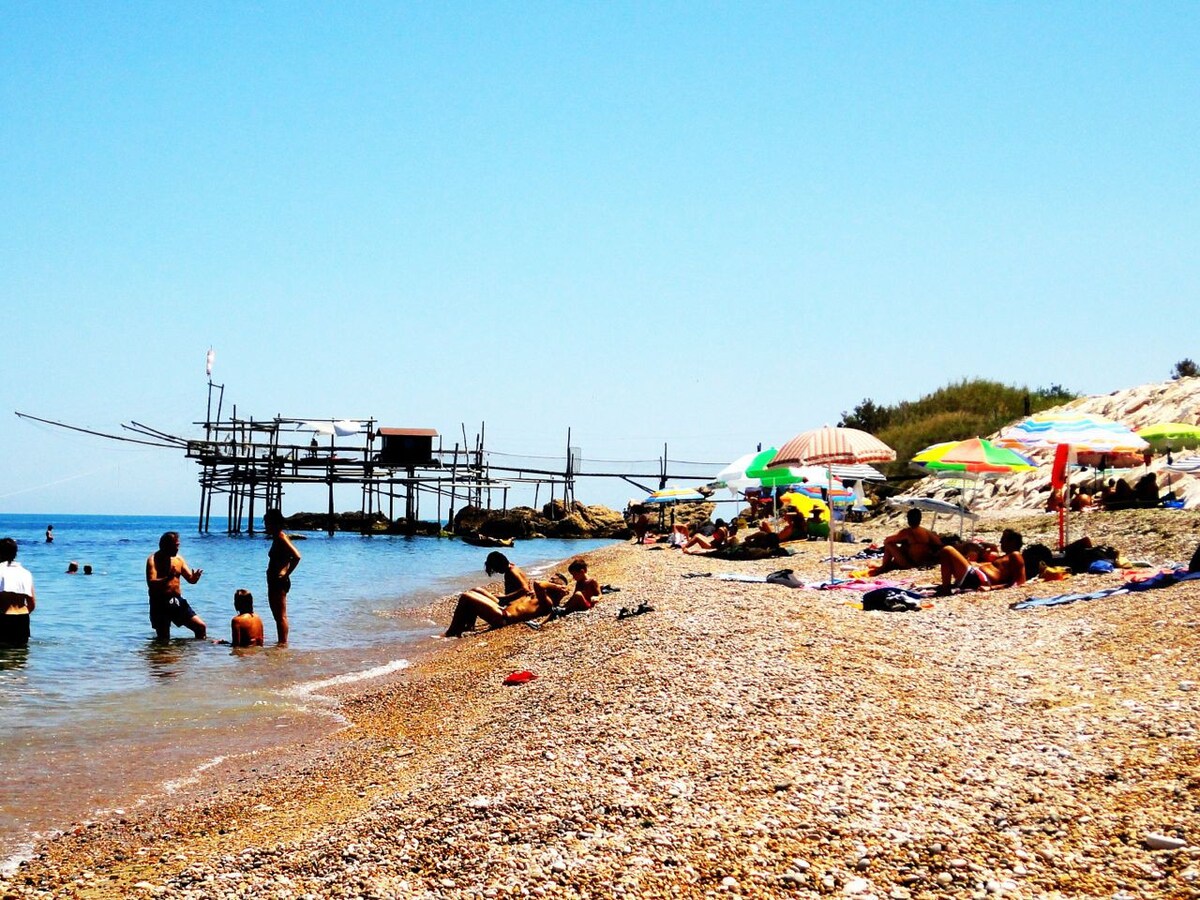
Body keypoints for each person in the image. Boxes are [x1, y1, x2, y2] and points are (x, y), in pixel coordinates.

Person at [444, 552, 565, 637]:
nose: (549, 581)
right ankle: (467, 627)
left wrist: (557, 586)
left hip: (503, 618)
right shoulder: (539, 597)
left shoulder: (547, 603)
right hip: (503, 611)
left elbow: (537, 584)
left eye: (552, 581)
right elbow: (534, 587)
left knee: (466, 597)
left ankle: (451, 632)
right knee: (473, 593)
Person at [145, 531, 206, 640]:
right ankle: (165, 656)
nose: (177, 549)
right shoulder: (153, 560)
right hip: (159, 603)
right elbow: (151, 583)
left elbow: (190, 580)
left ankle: (201, 653)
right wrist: (167, 579)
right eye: (175, 546)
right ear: (165, 546)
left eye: (178, 545)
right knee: (164, 638)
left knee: (200, 627)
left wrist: (195, 578)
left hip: (176, 601)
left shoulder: (179, 559)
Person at [937, 528, 1026, 595]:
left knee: (947, 550)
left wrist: (992, 588)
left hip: (977, 579)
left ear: (1013, 542)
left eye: (1003, 539)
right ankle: (946, 587)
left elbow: (1019, 581)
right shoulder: (1006, 556)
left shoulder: (1015, 554)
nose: (1000, 541)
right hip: (975, 576)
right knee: (959, 550)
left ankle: (946, 589)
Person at [263, 509, 301, 645]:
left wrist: (286, 573)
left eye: (267, 523)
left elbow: (297, 556)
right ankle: (281, 642)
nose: (265, 526)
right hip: (274, 581)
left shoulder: (281, 537)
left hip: (278, 582)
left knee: (281, 616)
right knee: (278, 616)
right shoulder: (277, 537)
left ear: (274, 523)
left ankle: (283, 643)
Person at [873, 510, 943, 574]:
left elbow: (887, 540)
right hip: (924, 562)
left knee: (889, 544)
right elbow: (939, 543)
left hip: (909, 564)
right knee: (905, 546)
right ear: (920, 519)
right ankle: (886, 565)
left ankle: (884, 566)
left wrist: (902, 542)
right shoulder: (926, 532)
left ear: (908, 520)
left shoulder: (907, 532)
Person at [0, 538, 36, 649]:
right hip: (23, 618)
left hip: (4, 617)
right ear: (15, 553)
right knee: (21, 658)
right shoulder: (25, 572)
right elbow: (32, 603)